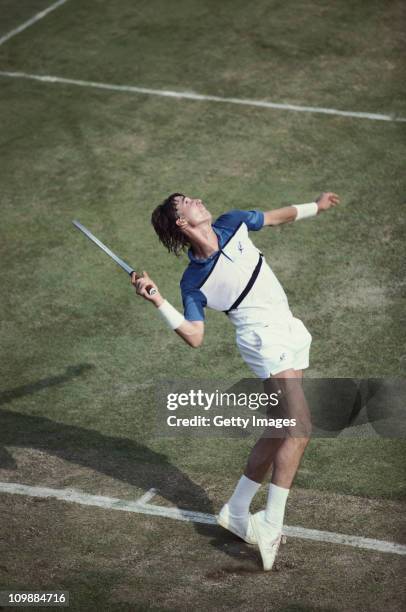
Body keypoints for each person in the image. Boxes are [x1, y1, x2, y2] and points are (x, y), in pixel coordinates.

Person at [132, 191, 340, 570]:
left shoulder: (232, 221)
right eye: (187, 202)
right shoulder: (193, 280)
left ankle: (238, 509)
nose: (197, 199)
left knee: (280, 428)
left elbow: (276, 216)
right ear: (182, 222)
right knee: (300, 427)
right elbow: (194, 336)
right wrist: (159, 301)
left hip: (289, 327)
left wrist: (317, 206)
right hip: (262, 339)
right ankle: (272, 521)